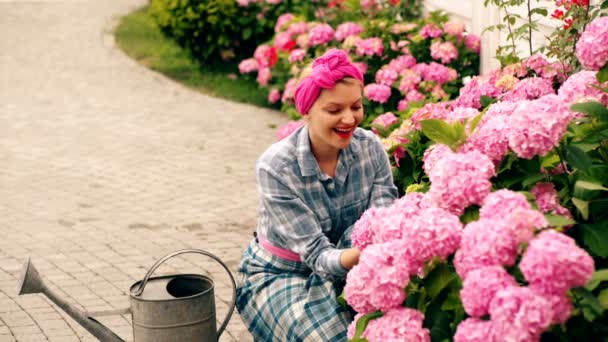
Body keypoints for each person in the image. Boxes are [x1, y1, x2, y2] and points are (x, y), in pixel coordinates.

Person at [236, 49, 398, 341]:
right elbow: (318, 256)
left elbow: (383, 220)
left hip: (351, 259)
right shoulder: (276, 167)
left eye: (356, 106)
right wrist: (365, 256)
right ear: (307, 111)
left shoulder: (370, 147)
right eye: (334, 110)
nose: (349, 119)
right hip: (284, 274)